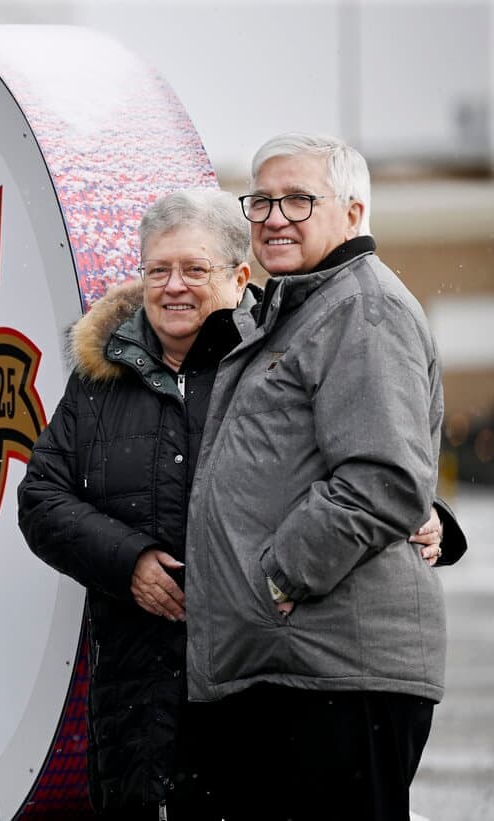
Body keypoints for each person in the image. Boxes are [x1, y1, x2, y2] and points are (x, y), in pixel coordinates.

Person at [17, 187, 460, 820]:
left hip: (257, 683)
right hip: (135, 686)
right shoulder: (99, 378)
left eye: (195, 269)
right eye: (158, 270)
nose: (174, 287)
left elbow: (364, 460)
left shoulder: (271, 362)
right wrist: (130, 561)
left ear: (240, 275)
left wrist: (429, 516)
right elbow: (41, 499)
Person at [183, 132, 466, 821]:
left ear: (352, 211)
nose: (275, 216)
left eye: (300, 199)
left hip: (336, 672)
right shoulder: (299, 310)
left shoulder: (363, 308)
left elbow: (381, 479)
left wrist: (279, 576)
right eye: (262, 200)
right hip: (292, 668)